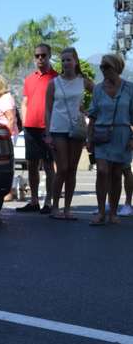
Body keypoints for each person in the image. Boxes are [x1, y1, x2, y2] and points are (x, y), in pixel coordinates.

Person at [44, 47, 94, 220]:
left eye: (69, 60)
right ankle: (55, 207)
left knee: (72, 169)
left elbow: (99, 96)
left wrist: (88, 110)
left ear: (76, 61)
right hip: (58, 129)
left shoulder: (84, 81)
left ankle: (67, 209)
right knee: (62, 168)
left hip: (77, 128)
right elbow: (48, 110)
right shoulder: (54, 83)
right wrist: (48, 133)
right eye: (63, 60)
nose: (65, 63)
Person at [87, 54, 133, 226]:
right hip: (101, 134)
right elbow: (92, 115)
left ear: (116, 68)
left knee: (116, 174)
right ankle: (100, 212)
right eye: (102, 67)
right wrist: (89, 137)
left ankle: (113, 212)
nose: (103, 70)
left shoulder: (129, 88)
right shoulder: (98, 89)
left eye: (106, 67)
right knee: (102, 171)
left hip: (122, 136)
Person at [17, 44, 58, 214]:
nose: (40, 58)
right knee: (31, 165)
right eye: (37, 56)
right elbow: (25, 103)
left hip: (48, 128)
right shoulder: (29, 79)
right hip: (30, 128)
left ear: (49, 56)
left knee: (49, 166)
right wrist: (25, 122)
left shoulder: (56, 78)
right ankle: (34, 201)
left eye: (43, 55)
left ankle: (48, 201)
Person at [0, 74, 19, 202]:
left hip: (6, 138)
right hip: (1, 137)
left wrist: (7, 137)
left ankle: (10, 191)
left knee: (7, 164)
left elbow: (11, 120)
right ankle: (10, 190)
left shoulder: (6, 99)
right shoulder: (3, 99)